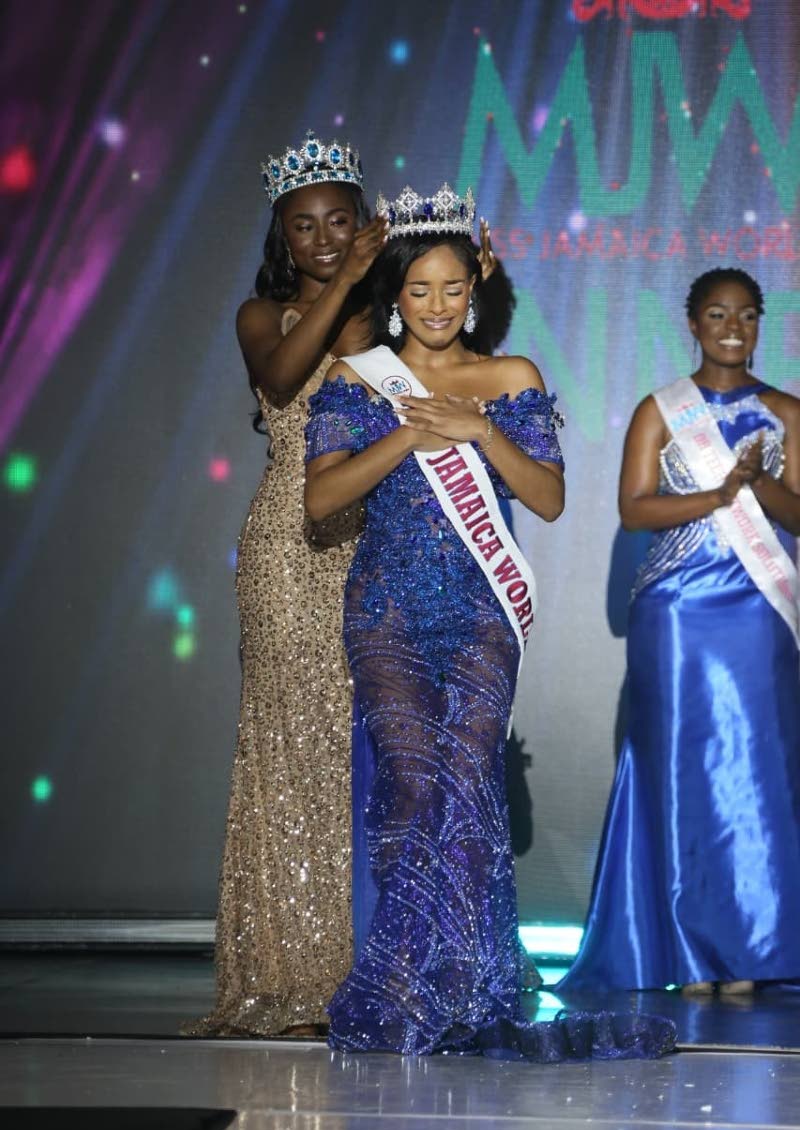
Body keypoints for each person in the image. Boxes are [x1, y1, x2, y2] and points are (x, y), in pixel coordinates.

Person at [304, 182, 676, 1059]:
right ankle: (407, 980)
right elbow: (320, 502)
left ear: (476, 288)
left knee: (467, 784)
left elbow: (546, 498)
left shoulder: (512, 379)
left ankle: (467, 981)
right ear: (394, 293)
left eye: (452, 288)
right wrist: (406, 434)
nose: (436, 306)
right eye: (418, 289)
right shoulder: (358, 380)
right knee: (411, 784)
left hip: (480, 614)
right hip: (386, 610)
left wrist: (477, 432)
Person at [558, 267, 800, 997]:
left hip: (757, 610)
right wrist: (719, 492)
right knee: (678, 769)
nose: (733, 327)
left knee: (755, 770)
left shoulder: (786, 411)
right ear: (693, 323)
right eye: (718, 314)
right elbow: (635, 509)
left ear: (760, 324)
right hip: (676, 611)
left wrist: (756, 483)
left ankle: (752, 947)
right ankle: (683, 952)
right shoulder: (660, 410)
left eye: (747, 315)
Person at [192, 132, 387, 1037]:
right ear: (282, 236)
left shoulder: (388, 313)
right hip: (287, 547)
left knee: (363, 749)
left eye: (338, 221)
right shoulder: (261, 316)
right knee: (290, 743)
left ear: (362, 222)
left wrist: (467, 275)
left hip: (376, 543)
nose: (322, 238)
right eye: (303, 226)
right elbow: (280, 376)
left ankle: (370, 965)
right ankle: (290, 972)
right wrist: (348, 284)